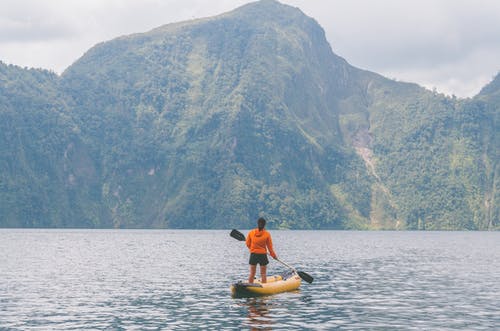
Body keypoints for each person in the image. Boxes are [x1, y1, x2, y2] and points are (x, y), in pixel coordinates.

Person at [246, 217, 277, 283]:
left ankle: (250, 285)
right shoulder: (267, 234)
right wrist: (273, 255)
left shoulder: (251, 233)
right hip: (262, 255)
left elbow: (248, 244)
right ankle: (264, 286)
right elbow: (270, 247)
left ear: (257, 224)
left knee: (252, 273)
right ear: (264, 225)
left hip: (253, 254)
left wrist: (252, 249)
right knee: (263, 274)